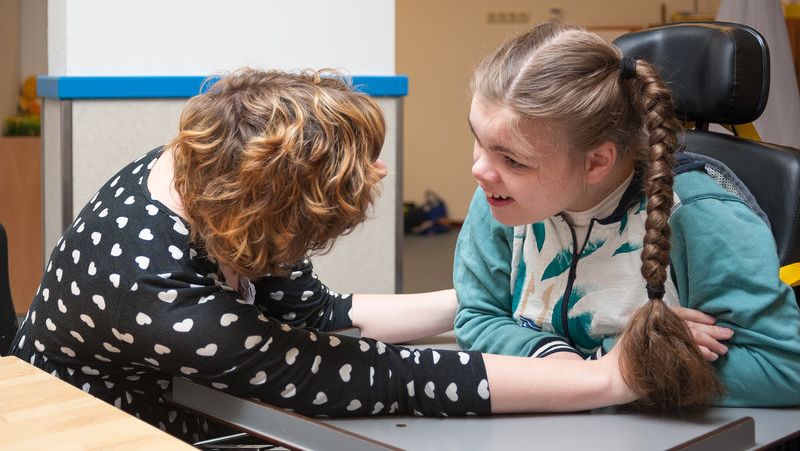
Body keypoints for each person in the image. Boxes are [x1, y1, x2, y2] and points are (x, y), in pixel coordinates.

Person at [10, 68, 636, 444]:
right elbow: (376, 375)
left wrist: (513, 300)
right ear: (274, 214)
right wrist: (605, 378)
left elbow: (318, 316)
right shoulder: (162, 295)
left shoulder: (206, 171)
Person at [454, 22, 800, 411]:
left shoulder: (701, 216)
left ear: (597, 161)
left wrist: (634, 365)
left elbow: (786, 368)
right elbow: (478, 316)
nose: (480, 171)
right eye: (478, 142)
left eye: (512, 159)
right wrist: (579, 371)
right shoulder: (500, 196)